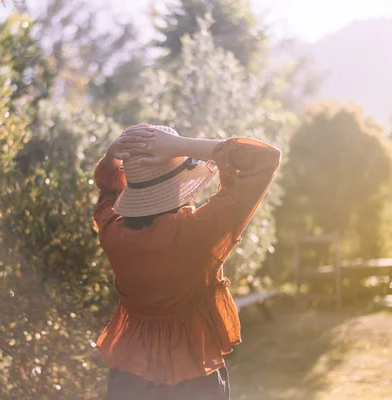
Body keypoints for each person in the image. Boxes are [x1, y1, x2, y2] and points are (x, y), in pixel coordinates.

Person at [93, 124, 281, 400]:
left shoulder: (113, 232)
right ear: (179, 186)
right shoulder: (198, 233)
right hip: (193, 377)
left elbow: (107, 190)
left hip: (129, 378)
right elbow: (265, 158)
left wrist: (112, 155)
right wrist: (179, 146)